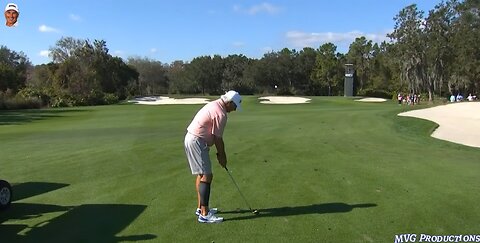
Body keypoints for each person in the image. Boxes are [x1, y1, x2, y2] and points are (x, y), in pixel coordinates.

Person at [184, 90, 242, 223]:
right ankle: (204, 214)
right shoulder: (220, 113)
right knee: (207, 175)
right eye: (234, 106)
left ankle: (200, 208)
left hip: (193, 138)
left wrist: (220, 155)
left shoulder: (215, 105)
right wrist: (222, 156)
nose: (234, 110)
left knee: (202, 174)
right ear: (229, 102)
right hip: (197, 141)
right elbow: (218, 139)